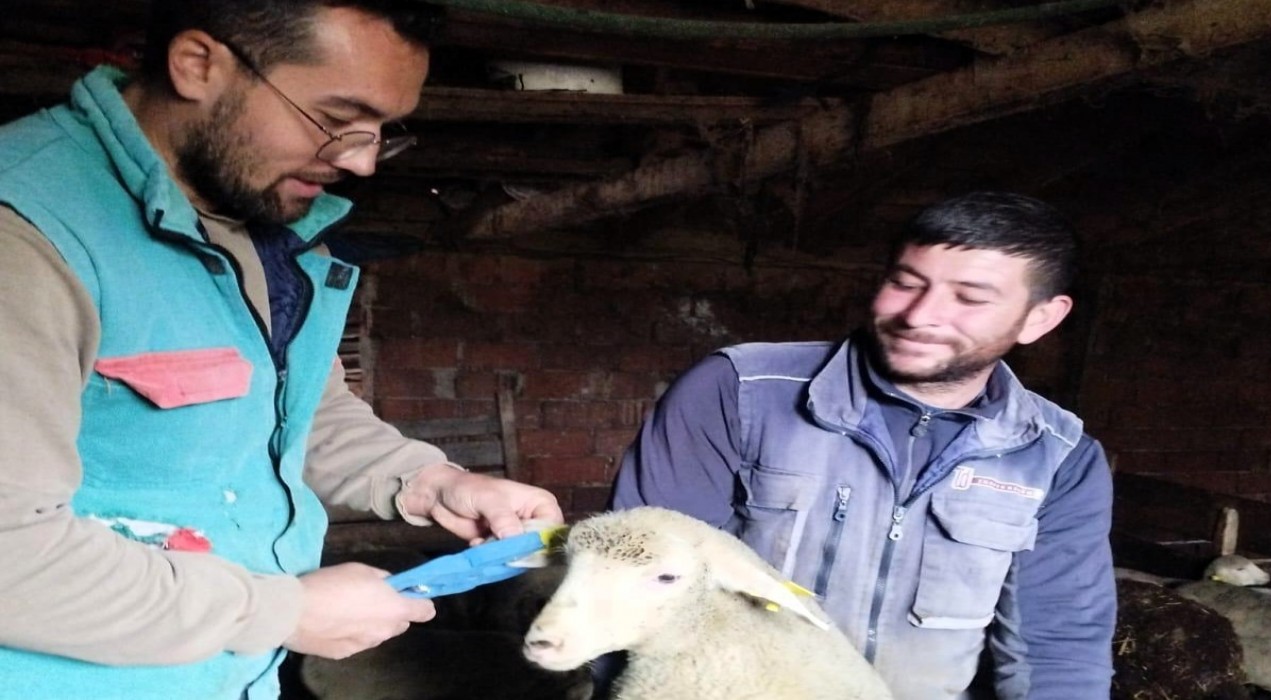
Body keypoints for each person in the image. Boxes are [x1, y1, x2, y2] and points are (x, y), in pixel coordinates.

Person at [0, 1, 561, 698]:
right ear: (198, 65)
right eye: (336, 119)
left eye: (382, 131)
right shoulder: (23, 234)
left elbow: (297, 415)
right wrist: (282, 611)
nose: (360, 162)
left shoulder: (262, 225)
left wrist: (428, 482)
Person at [611, 191, 1116, 699]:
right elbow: (628, 582)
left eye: (969, 298)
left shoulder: (1057, 458)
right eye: (905, 283)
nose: (920, 315)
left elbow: (1058, 645)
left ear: (1040, 318)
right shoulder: (739, 391)